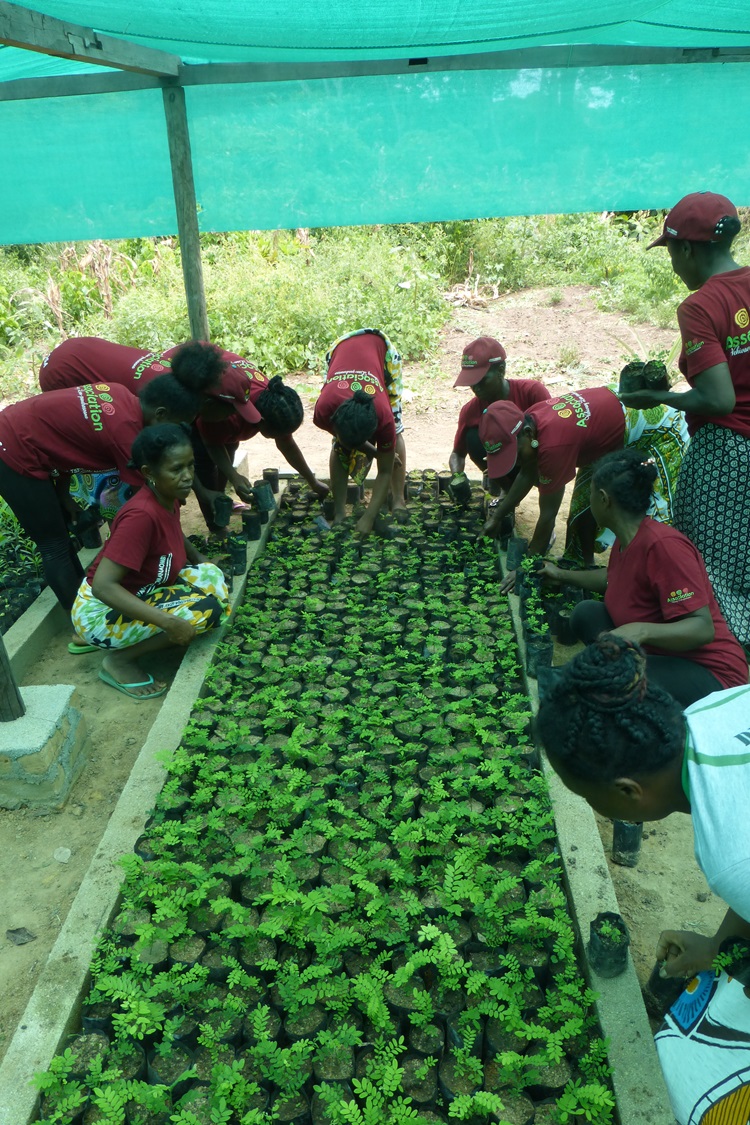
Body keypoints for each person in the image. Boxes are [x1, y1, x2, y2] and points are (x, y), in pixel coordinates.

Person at [536, 634, 750, 1125]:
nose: (594, 810)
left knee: (692, 1082)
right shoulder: (714, 710)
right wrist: (720, 944)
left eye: (590, 799)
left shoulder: (730, 854)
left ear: (628, 792)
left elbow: (744, 863)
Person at [620, 191, 750, 646]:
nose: (674, 266)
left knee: (712, 568)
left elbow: (719, 401)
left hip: (729, 454)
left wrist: (658, 396)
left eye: (673, 253)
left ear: (688, 249)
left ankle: (729, 675)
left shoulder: (700, 306)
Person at [39, 336, 328, 531]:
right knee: (99, 451)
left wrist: (207, 488)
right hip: (68, 369)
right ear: (207, 402)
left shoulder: (197, 393)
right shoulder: (164, 405)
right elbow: (163, 466)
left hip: (85, 351)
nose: (231, 421)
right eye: (229, 412)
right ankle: (92, 509)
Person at [542, 448, 747, 708]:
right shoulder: (627, 536)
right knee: (586, 613)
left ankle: (615, 680)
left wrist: (640, 631)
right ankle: (615, 671)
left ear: (603, 499)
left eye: (591, 493)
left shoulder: (664, 546)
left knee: (611, 680)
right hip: (657, 651)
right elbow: (614, 577)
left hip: (709, 671)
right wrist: (561, 575)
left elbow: (702, 628)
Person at [0, 375, 205, 611]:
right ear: (160, 414)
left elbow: (64, 436)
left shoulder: (119, 393)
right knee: (53, 545)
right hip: (12, 448)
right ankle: (80, 623)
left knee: (62, 538)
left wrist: (64, 493)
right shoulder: (125, 432)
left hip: (20, 430)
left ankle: (83, 606)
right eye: (175, 426)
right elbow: (159, 506)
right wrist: (196, 558)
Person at [71, 425, 230, 701]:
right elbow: (103, 587)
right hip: (100, 608)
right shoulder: (141, 517)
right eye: (176, 469)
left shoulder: (167, 496)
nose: (187, 476)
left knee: (212, 578)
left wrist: (201, 560)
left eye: (190, 465)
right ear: (149, 473)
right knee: (207, 611)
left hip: (139, 592)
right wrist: (168, 622)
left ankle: (110, 636)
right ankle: (118, 659)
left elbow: (174, 531)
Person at [478, 383, 688, 586]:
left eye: (513, 453)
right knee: (585, 504)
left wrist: (526, 566)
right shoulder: (530, 420)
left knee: (657, 510)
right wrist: (497, 516)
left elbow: (548, 516)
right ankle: (582, 566)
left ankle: (660, 579)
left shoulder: (554, 446)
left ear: (527, 434)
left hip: (660, 426)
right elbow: (527, 472)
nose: (514, 461)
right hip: (601, 430)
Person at [313, 328, 406, 534]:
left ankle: (398, 498)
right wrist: (371, 451)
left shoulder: (384, 417)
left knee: (397, 430)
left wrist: (369, 518)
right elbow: (343, 440)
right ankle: (339, 512)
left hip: (382, 352)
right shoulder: (324, 408)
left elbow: (384, 471)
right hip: (342, 347)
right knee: (340, 448)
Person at [449, 336, 551, 492]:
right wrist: (457, 477)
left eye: (482, 381)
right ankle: (505, 487)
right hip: (502, 464)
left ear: (501, 370)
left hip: (535, 459)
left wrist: (521, 461)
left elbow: (552, 440)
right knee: (472, 438)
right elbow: (457, 453)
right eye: (471, 382)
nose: (475, 388)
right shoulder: (470, 411)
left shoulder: (532, 393)